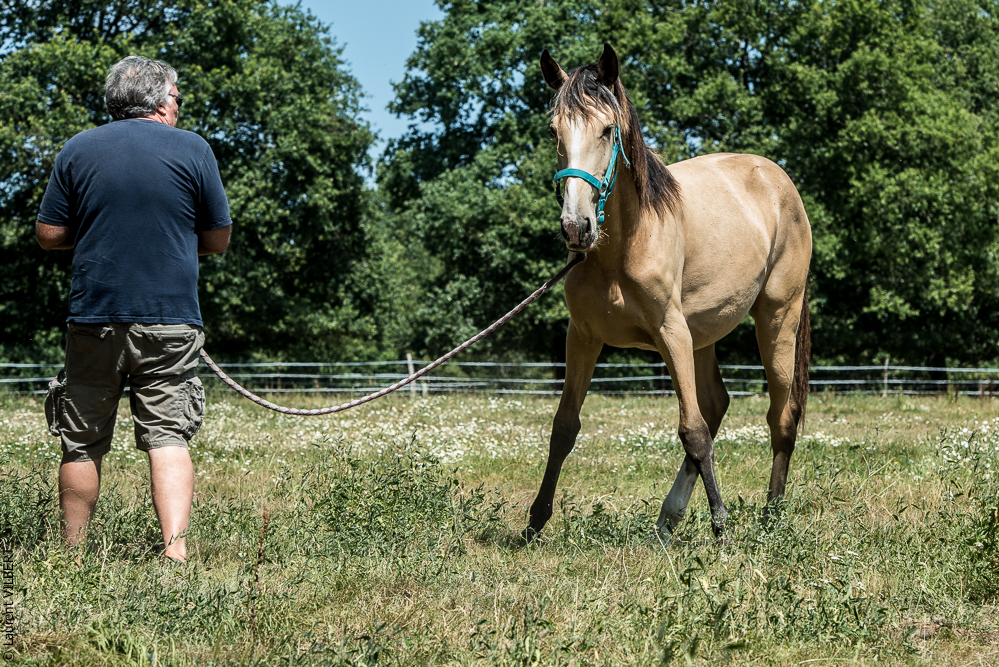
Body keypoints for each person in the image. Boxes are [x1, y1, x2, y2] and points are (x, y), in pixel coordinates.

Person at [36, 56, 232, 563]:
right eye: (179, 98)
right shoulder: (193, 149)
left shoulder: (78, 149)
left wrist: (103, 229)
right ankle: (175, 554)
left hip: (94, 317)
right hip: (170, 318)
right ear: (162, 101)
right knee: (168, 436)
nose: (179, 107)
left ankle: (72, 556)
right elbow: (218, 239)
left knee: (80, 440)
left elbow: (48, 234)